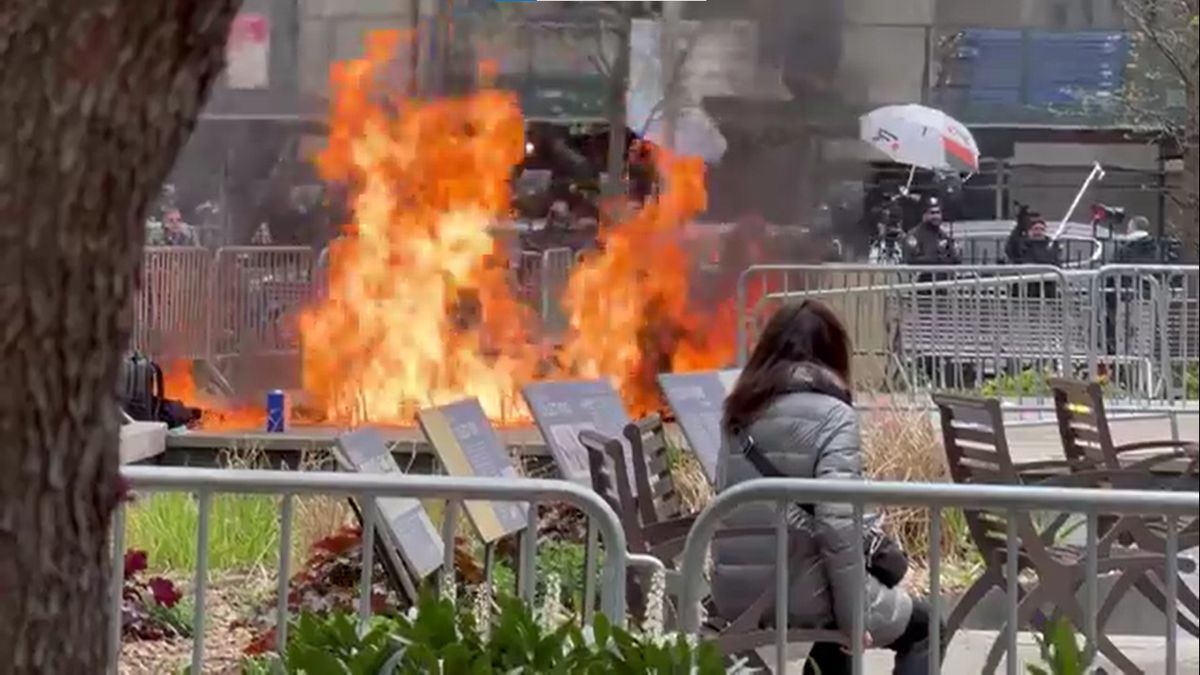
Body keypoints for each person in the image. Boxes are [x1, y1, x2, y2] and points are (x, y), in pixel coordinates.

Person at [713, 301, 941, 675]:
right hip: (802, 586)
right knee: (927, 628)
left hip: (736, 589)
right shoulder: (834, 416)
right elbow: (837, 525)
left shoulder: (737, 412)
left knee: (836, 626)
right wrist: (854, 620)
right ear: (832, 353)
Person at [902, 197, 959, 266]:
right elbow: (910, 260)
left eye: (938, 213)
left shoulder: (943, 235)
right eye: (932, 213)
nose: (936, 216)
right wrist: (936, 260)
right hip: (922, 275)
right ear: (924, 215)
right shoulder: (914, 236)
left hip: (944, 275)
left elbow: (955, 258)